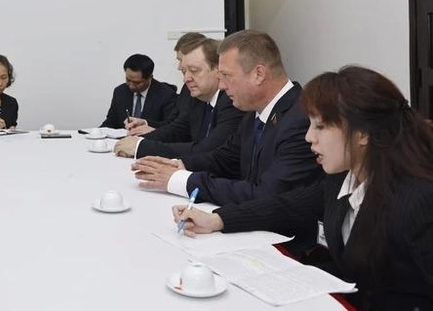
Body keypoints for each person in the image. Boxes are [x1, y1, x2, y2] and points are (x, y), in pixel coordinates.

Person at [173, 66, 433, 309]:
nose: (309, 136)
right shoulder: (342, 179)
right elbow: (288, 204)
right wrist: (218, 219)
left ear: (363, 133)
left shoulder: (417, 201)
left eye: (320, 126)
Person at [132, 30, 322, 205]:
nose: (221, 85)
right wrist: (178, 165)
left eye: (226, 75)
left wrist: (182, 180)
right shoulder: (253, 112)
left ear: (258, 74)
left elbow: (267, 194)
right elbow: (224, 159)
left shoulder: (301, 119)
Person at [114, 38, 245, 159]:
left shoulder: (231, 102)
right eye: (184, 72)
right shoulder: (198, 98)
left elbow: (207, 149)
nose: (186, 79)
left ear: (218, 70)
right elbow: (177, 130)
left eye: (194, 70)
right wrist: (138, 140)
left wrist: (140, 147)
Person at [100, 53, 179, 130]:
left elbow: (170, 127)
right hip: (123, 140)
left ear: (150, 77)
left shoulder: (166, 94)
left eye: (136, 82)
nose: (130, 85)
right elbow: (111, 122)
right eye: (128, 79)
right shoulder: (120, 91)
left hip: (151, 141)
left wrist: (146, 124)